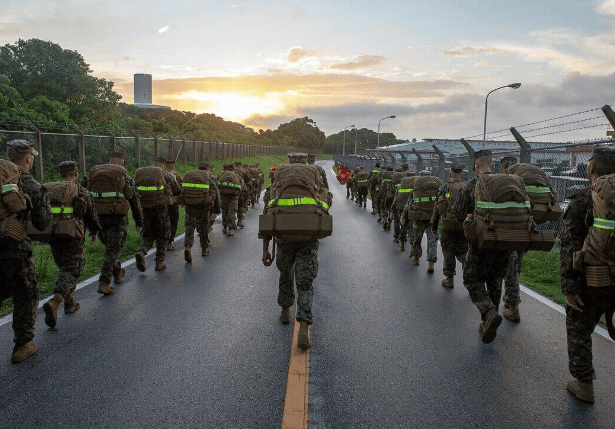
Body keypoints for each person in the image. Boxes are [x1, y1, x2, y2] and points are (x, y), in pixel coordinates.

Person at [560, 145, 615, 403]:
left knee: (579, 326)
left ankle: (584, 384)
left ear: (590, 167)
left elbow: (569, 248)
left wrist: (569, 288)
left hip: (593, 279)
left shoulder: (583, 200)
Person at [261, 153, 330, 349]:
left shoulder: (280, 173)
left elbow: (267, 210)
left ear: (290, 161)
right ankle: (305, 327)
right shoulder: (316, 171)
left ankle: (285, 311)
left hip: (284, 235)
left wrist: (265, 249)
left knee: (285, 272)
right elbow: (326, 196)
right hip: (308, 235)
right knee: (305, 282)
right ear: (305, 161)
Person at [1, 140, 51, 363]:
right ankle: (23, 345)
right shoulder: (31, 185)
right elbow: (42, 223)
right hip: (14, 246)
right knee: (26, 291)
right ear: (29, 158)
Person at [454, 150, 511, 344]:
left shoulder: (471, 185)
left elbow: (460, 213)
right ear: (493, 165)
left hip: (481, 241)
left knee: (471, 279)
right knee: (495, 279)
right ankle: (488, 318)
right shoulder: (508, 183)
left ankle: (487, 312)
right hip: (505, 241)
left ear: (476, 166)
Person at [43, 161, 100, 328]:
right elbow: (91, 215)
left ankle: (70, 302)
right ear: (76, 174)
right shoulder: (81, 191)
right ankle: (56, 301)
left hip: (54, 234)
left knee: (63, 266)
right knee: (73, 268)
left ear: (60, 175)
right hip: (73, 235)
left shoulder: (51, 190)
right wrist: (94, 231)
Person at [84, 152, 143, 296]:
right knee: (112, 251)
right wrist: (139, 221)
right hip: (118, 219)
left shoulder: (93, 176)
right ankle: (104, 282)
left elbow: (83, 195)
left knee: (112, 250)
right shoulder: (125, 178)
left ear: (109, 161)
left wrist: (88, 223)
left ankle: (118, 273)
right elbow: (134, 201)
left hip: (98, 218)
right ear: (122, 163)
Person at [135, 157, 180, 272]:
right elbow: (177, 189)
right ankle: (159, 262)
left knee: (148, 233)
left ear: (153, 164)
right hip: (161, 210)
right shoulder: (165, 175)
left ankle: (141, 252)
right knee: (162, 234)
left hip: (144, 209)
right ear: (163, 166)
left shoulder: (141, 174)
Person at [431, 162, 467, 288]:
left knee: (448, 252)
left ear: (450, 174)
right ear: (462, 174)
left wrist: (434, 226)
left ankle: (449, 279)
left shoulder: (444, 188)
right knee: (464, 253)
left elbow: (437, 209)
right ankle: (469, 281)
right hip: (464, 226)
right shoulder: (468, 187)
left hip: (448, 226)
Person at [403, 170, 441, 273]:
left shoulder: (417, 186)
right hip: (433, 217)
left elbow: (408, 204)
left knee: (417, 237)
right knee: (432, 240)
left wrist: (403, 215)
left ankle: (416, 258)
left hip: (419, 216)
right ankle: (431, 263)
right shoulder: (437, 184)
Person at [183, 165, 221, 262]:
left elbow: (181, 190)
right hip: (204, 208)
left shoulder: (189, 177)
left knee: (190, 227)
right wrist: (216, 210)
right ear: (206, 170)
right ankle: (204, 249)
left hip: (190, 207)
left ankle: (188, 247)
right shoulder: (208, 179)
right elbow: (216, 194)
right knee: (203, 228)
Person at [218, 163, 242, 236]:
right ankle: (230, 229)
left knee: (224, 211)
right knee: (231, 212)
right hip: (233, 197)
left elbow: (218, 185)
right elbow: (241, 186)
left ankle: (224, 227)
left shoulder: (222, 175)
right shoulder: (236, 176)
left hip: (224, 196)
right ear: (233, 169)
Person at [165, 160, 182, 251]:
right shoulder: (175, 176)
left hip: (162, 203)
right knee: (173, 222)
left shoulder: (161, 175)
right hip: (173, 203)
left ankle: (162, 241)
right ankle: (169, 242)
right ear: (174, 167)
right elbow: (178, 190)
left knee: (164, 221)